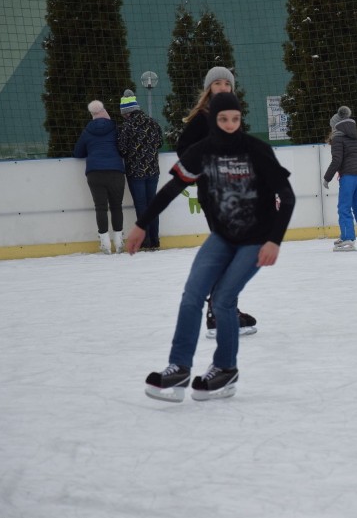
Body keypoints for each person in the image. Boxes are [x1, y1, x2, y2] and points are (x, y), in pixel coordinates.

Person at [129, 92, 295, 402]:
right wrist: (142, 224)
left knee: (223, 299)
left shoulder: (257, 151)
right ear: (214, 120)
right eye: (223, 119)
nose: (230, 125)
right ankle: (178, 368)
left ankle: (225, 369)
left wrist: (274, 240)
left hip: (256, 239)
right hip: (222, 237)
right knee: (192, 295)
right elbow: (171, 190)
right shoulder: (201, 153)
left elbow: (287, 197)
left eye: (235, 119)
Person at [177, 66, 258, 336]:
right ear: (209, 89)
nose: (223, 87)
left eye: (227, 83)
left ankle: (224, 308)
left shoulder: (229, 117)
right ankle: (218, 313)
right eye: (217, 84)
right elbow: (184, 149)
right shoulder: (203, 118)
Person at [323, 106, 357, 252]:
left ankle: (348, 239)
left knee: (344, 207)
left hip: (349, 175)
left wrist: (327, 178)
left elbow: (337, 160)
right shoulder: (354, 137)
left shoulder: (337, 139)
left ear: (335, 126)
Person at [74, 100, 126, 254]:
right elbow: (123, 148)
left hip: (95, 173)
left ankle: (105, 243)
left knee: (100, 207)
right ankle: (119, 241)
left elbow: (77, 153)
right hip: (116, 171)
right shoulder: (115, 128)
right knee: (117, 206)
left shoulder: (87, 131)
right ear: (106, 113)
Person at [117, 90, 163, 250]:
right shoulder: (153, 123)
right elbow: (159, 143)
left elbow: (122, 150)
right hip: (153, 170)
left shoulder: (126, 127)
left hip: (136, 172)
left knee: (141, 206)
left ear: (126, 112)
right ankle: (155, 240)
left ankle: (146, 241)